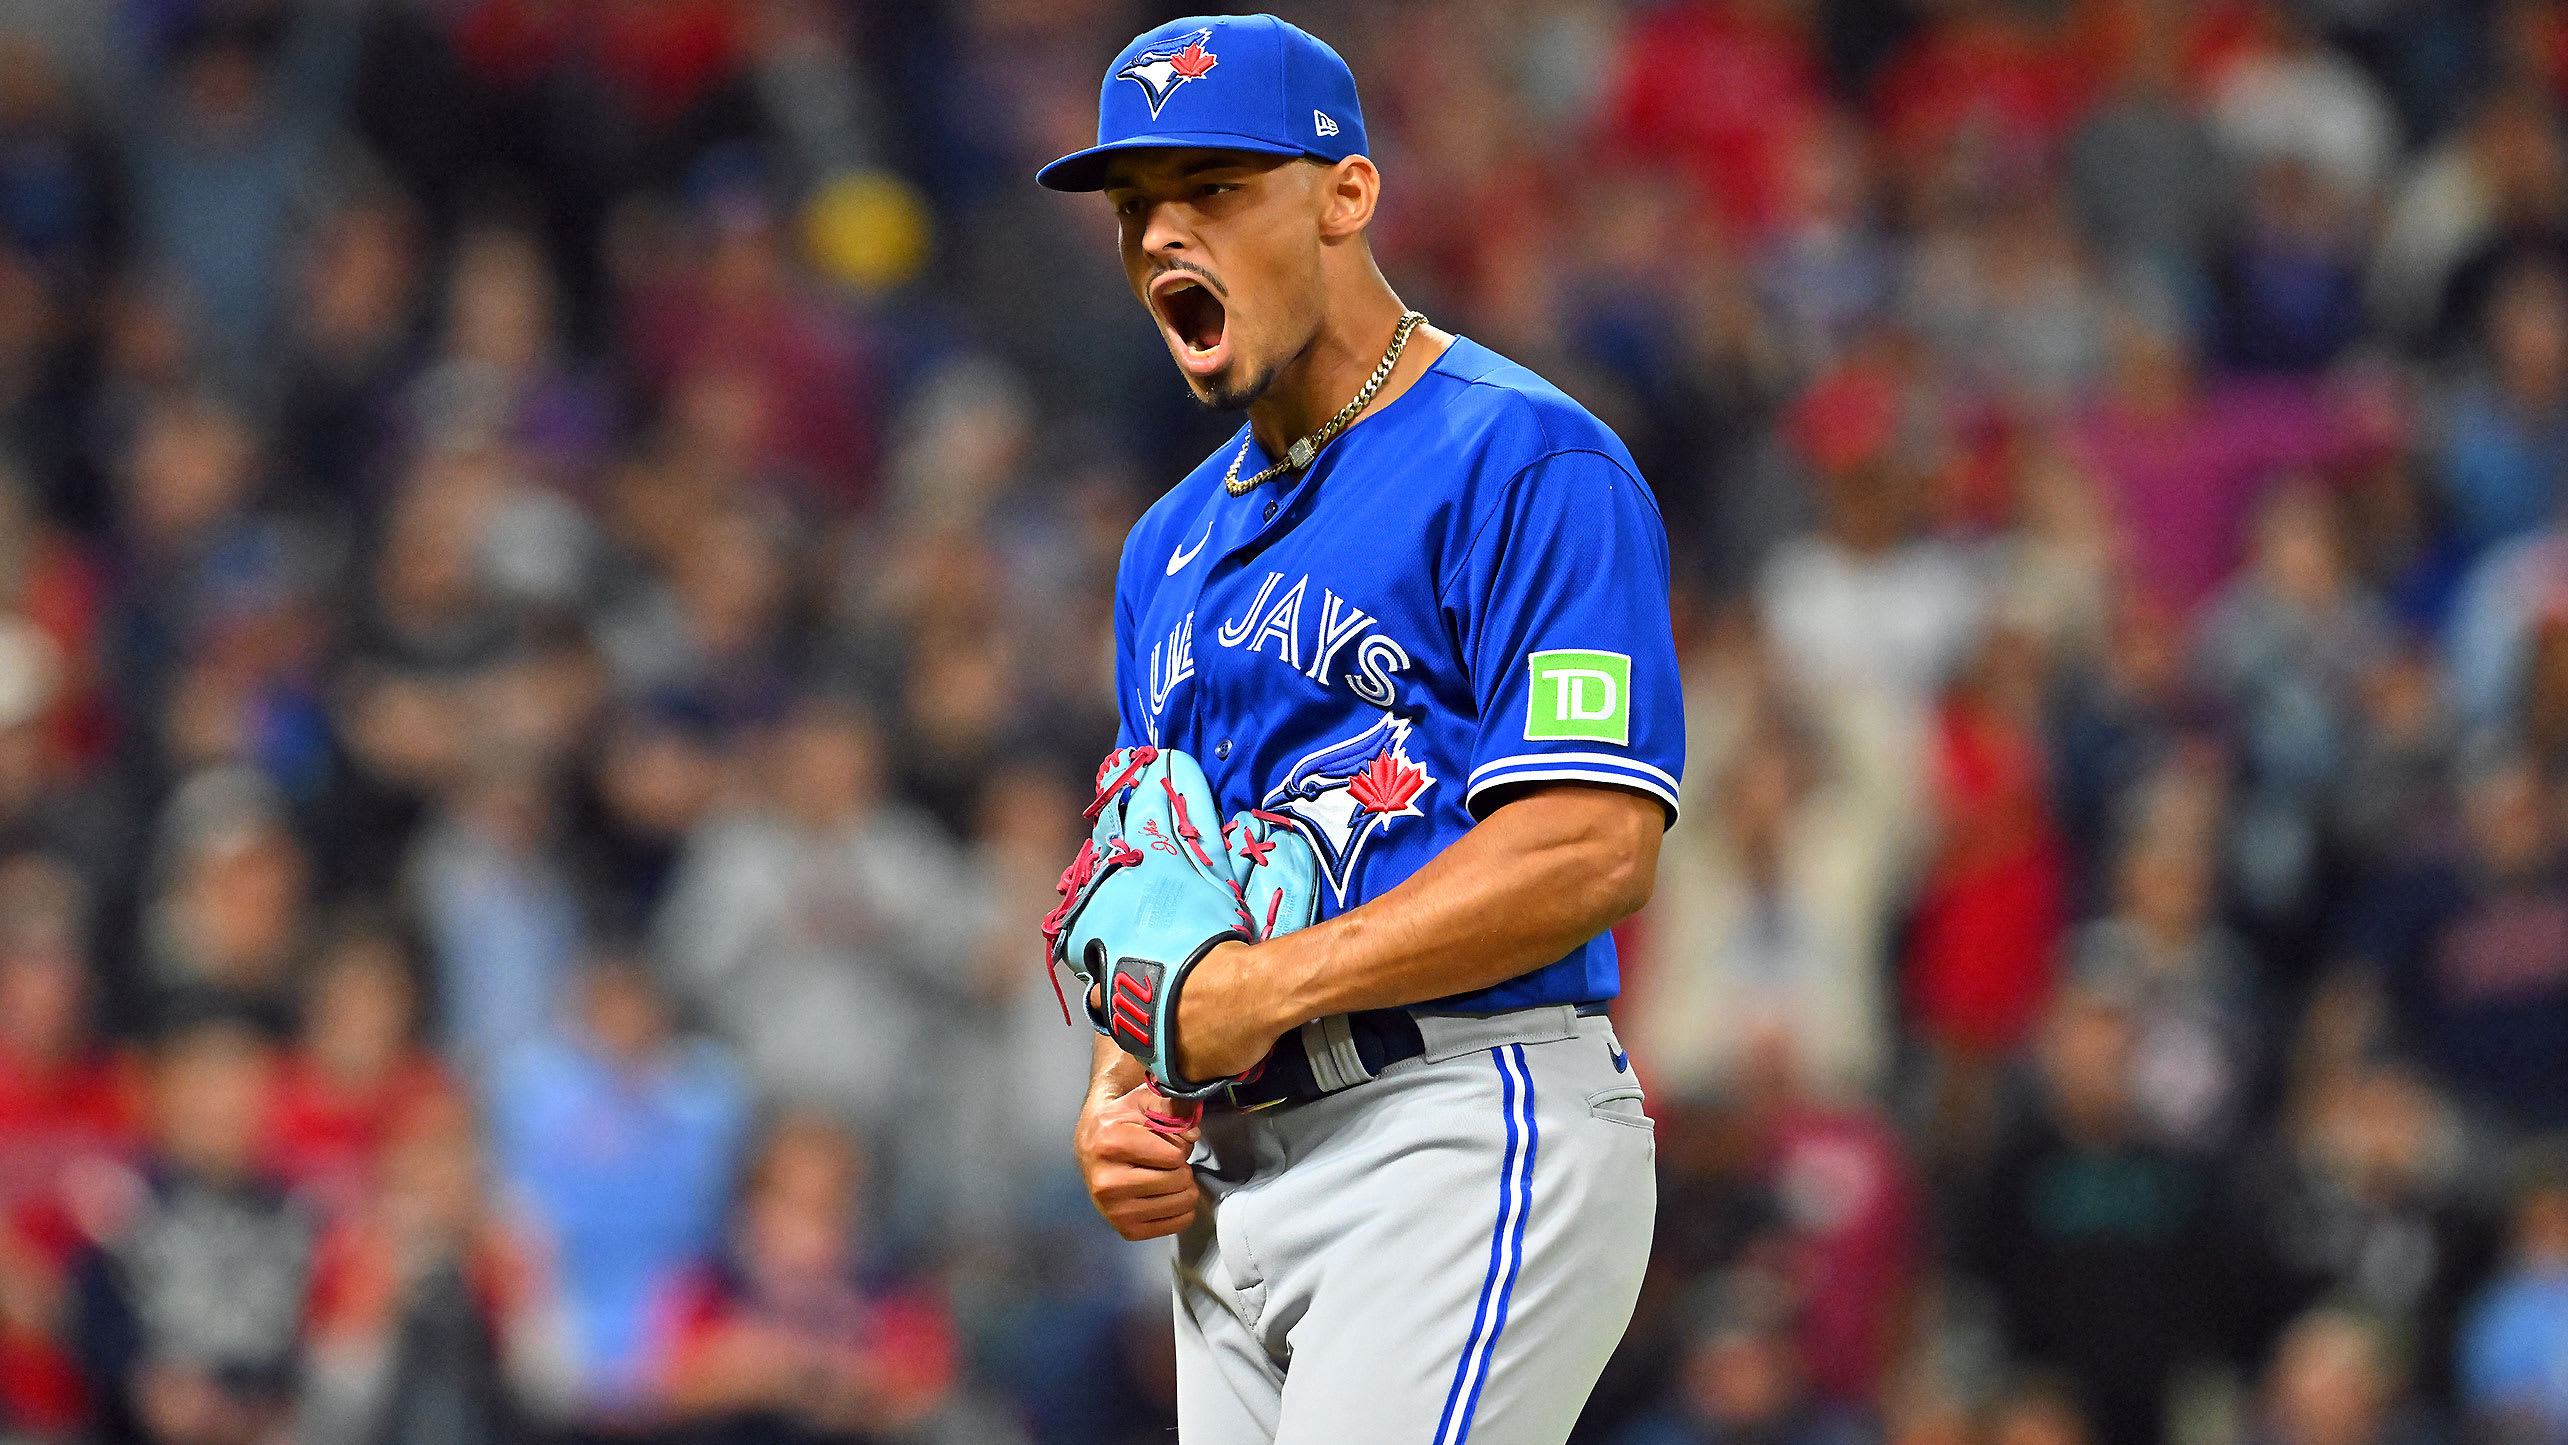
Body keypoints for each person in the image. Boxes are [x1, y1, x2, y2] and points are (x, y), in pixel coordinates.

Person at [1041, 15, 1682, 1442]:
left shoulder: (1527, 458)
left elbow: (1588, 846)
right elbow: (1165, 870)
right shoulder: (1167, 549)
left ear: (1345, 193)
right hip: (1241, 1181)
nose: (1161, 237)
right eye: (1139, 206)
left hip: (1459, 1121)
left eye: (1213, 188)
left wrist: (1262, 994)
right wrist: (1120, 1084)